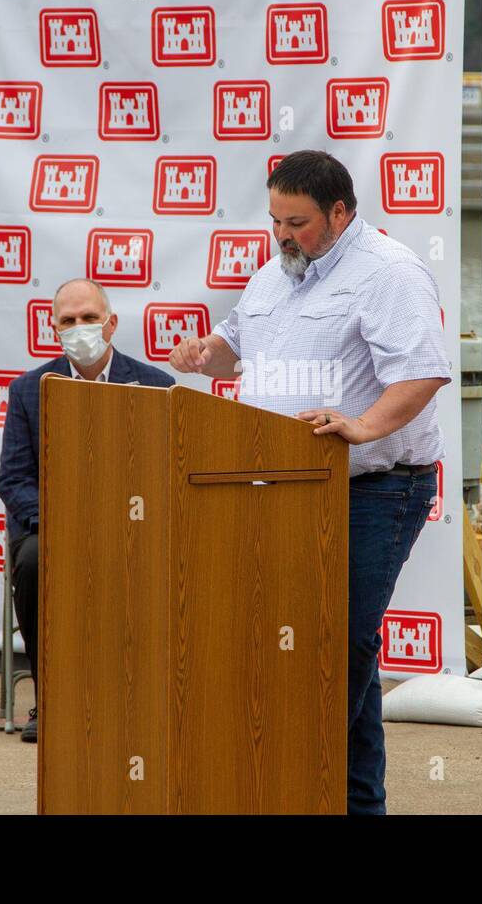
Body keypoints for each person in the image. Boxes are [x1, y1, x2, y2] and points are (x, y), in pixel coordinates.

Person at [168, 149, 451, 813]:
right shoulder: (273, 275)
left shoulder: (390, 272)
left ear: (340, 212)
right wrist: (202, 354)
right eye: (275, 220)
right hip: (285, 488)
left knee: (336, 645)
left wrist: (361, 425)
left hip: (375, 492)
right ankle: (351, 804)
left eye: (296, 222)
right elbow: (234, 348)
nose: (283, 235)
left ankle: (308, 788)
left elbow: (421, 373)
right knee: (331, 647)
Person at [0, 278, 175, 743]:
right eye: (68, 321)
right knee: (34, 562)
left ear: (111, 324)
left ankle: (149, 697)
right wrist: (62, 523)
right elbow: (13, 480)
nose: (80, 328)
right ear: (53, 328)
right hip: (51, 528)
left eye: (90, 319)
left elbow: (169, 471)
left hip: (135, 524)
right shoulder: (28, 391)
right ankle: (50, 700)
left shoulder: (157, 386)